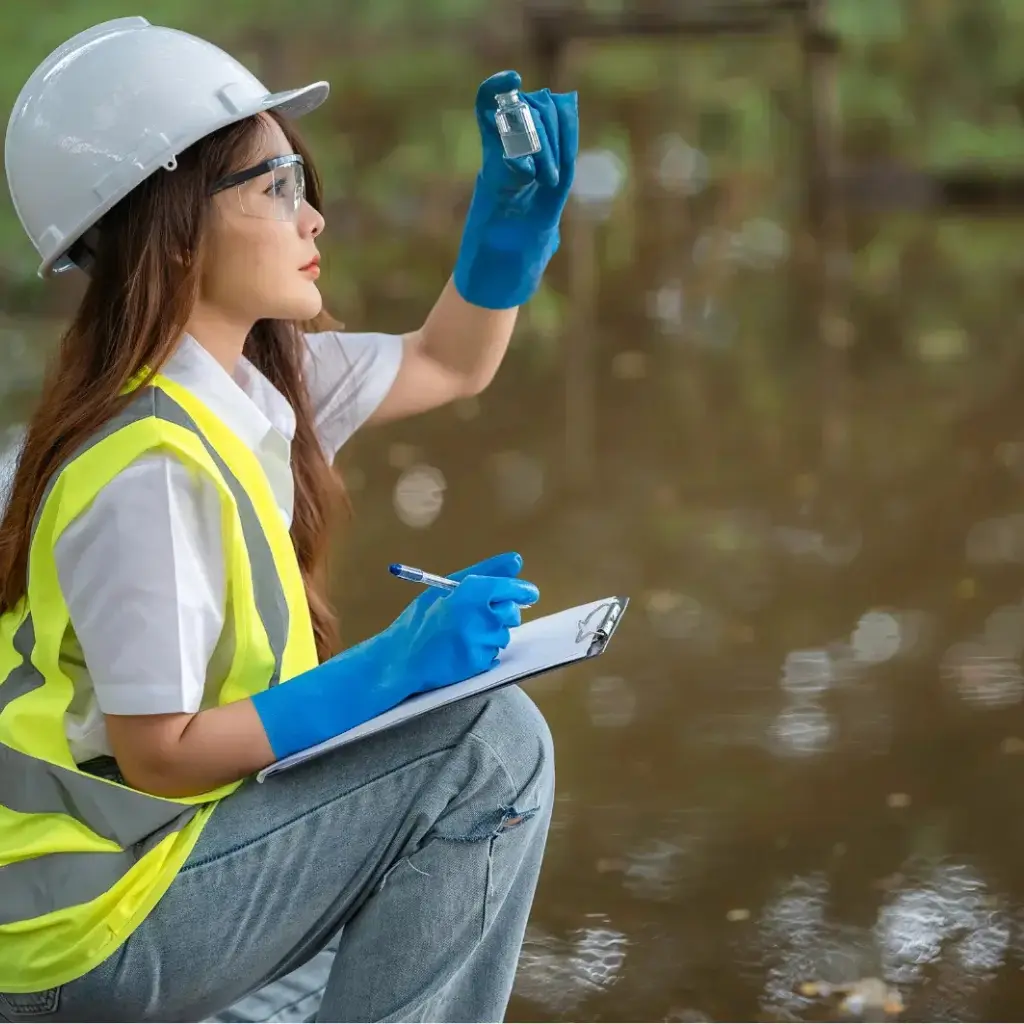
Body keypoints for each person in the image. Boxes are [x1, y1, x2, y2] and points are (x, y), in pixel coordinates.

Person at [0, 16, 578, 1024]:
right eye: (277, 188)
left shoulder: (255, 379)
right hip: (84, 931)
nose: (312, 219)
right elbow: (161, 752)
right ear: (175, 223)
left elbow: (451, 361)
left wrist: (510, 231)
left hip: (146, 873)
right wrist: (392, 673)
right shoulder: (143, 465)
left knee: (383, 924)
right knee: (488, 740)